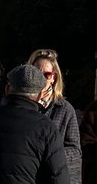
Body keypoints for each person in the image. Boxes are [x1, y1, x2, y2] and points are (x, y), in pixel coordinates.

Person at [28, 48, 81, 181]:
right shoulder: (21, 106)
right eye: (36, 73)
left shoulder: (65, 110)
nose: (41, 79)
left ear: (53, 77)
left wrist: (49, 154)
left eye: (46, 75)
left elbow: (75, 151)